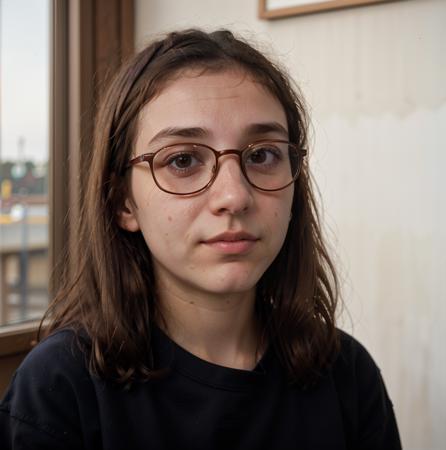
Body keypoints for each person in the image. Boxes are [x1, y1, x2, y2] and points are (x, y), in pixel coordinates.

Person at [0, 29, 401, 449]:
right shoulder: (59, 389)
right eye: (183, 159)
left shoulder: (346, 374)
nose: (235, 196)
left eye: (263, 155)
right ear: (124, 203)